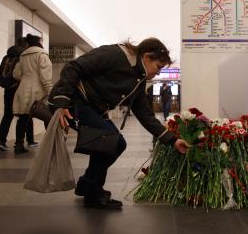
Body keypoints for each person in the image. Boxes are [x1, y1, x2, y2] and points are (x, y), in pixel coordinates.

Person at [48, 37, 190, 209]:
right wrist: (61, 101)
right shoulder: (115, 54)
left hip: (93, 107)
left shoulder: (139, 80)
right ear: (146, 57)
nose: (158, 72)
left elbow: (145, 115)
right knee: (112, 141)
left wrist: (172, 140)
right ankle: (93, 194)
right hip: (74, 100)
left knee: (112, 144)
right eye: (158, 67)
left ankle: (87, 184)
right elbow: (73, 66)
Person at [13, 34, 52, 153]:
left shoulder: (22, 56)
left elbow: (16, 74)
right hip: (38, 90)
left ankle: (19, 144)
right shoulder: (42, 55)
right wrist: (49, 90)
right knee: (47, 116)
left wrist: (26, 78)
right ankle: (50, 144)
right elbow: (45, 75)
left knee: (23, 118)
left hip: (23, 89)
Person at [0, 37, 33, 151]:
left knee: (7, 115)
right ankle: (29, 140)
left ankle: (1, 141)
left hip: (8, 90)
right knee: (25, 114)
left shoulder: (6, 57)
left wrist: (7, 84)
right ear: (26, 45)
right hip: (19, 89)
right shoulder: (23, 57)